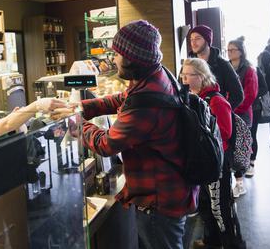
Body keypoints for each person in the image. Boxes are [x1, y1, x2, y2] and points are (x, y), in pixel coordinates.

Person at [80, 20, 197, 249]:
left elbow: (106, 143)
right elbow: (122, 98)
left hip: (159, 199)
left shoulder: (147, 101)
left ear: (132, 57)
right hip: (173, 188)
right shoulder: (155, 74)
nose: (113, 59)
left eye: (117, 53)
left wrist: (76, 124)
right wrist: (83, 108)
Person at [181, 58, 245, 249]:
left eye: (188, 75)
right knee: (206, 206)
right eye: (182, 75)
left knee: (220, 208)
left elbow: (225, 132)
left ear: (201, 77)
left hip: (217, 162)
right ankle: (213, 241)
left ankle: (231, 244)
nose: (184, 79)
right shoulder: (193, 98)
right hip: (204, 161)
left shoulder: (217, 100)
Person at [227, 37, 258, 197]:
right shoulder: (226, 67)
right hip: (227, 112)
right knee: (230, 147)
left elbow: (250, 94)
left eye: (233, 50)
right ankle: (234, 180)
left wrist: (235, 108)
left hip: (242, 113)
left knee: (240, 147)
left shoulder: (249, 69)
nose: (230, 53)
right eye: (228, 50)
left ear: (241, 52)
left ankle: (240, 182)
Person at [188, 25, 244, 110]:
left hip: (216, 118)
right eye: (191, 39)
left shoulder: (223, 65)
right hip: (194, 117)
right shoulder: (188, 65)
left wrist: (222, 111)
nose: (193, 43)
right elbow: (181, 91)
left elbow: (238, 95)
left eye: (198, 38)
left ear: (207, 40)